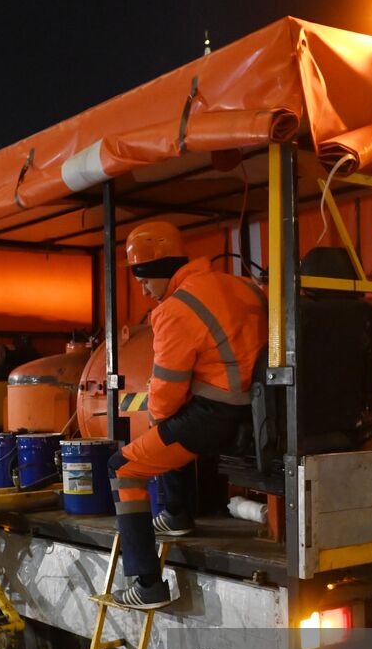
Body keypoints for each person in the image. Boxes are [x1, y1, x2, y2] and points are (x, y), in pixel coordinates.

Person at [107, 221, 266, 609]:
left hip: (214, 416)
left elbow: (165, 392)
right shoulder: (244, 285)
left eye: (143, 278)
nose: (143, 288)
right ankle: (176, 514)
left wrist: (154, 417)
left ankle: (146, 585)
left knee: (124, 466)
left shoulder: (175, 310)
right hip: (260, 411)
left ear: (161, 271)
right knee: (169, 425)